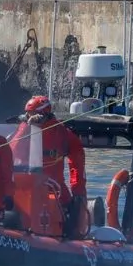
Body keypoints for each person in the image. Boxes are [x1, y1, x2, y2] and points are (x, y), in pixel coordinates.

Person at [20, 95, 87, 230]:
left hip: (55, 189)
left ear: (44, 113)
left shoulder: (62, 134)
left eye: (33, 114)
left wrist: (78, 191)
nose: (30, 117)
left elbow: (77, 164)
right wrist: (27, 128)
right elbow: (11, 150)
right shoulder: (23, 130)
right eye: (28, 114)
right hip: (26, 188)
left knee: (69, 212)